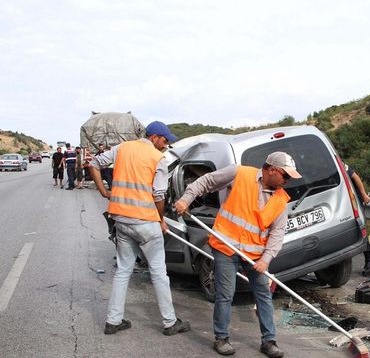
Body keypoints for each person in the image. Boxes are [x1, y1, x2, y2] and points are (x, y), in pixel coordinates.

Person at [174, 151, 301, 358]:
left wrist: (265, 259)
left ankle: (269, 341)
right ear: (271, 170)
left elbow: (278, 233)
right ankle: (221, 338)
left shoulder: (280, 200)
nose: (287, 181)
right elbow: (206, 181)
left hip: (255, 255)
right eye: (285, 176)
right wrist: (186, 199)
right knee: (226, 293)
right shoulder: (240, 173)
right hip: (226, 247)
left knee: (263, 294)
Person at [88, 121, 190, 336]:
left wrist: (103, 191)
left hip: (122, 220)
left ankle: (113, 321)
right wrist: (160, 219)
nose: (165, 144)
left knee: (123, 271)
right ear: (154, 137)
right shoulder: (157, 158)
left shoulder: (123, 148)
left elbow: (94, 164)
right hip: (145, 222)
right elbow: (159, 195)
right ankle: (170, 322)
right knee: (159, 273)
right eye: (164, 140)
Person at [345, 163, 370, 276]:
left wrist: (363, 195)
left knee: (360, 229)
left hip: (355, 202)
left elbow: (355, 177)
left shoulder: (338, 163)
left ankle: (369, 261)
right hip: (344, 203)